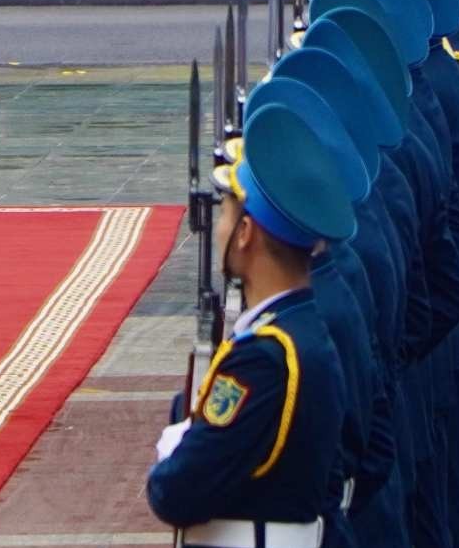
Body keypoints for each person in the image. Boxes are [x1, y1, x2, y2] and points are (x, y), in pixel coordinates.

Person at [146, 97, 357, 547]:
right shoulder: (303, 326)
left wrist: (175, 449)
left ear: (246, 235)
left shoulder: (265, 358)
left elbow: (175, 493)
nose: (217, 227)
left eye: (225, 212)